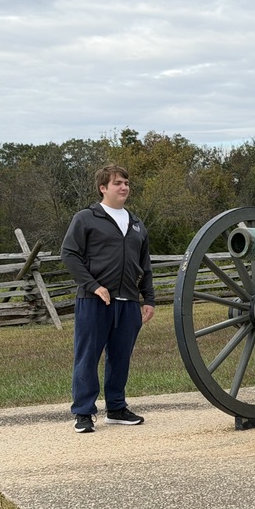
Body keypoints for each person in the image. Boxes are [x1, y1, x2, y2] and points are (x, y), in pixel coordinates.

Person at [62, 165, 155, 433]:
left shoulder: (136, 224)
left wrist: (148, 299)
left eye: (126, 182)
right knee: (87, 357)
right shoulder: (86, 218)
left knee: (120, 357)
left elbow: (144, 264)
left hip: (128, 303)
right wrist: (93, 286)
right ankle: (83, 413)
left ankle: (116, 408)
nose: (124, 187)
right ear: (103, 188)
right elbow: (69, 254)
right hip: (94, 302)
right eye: (117, 183)